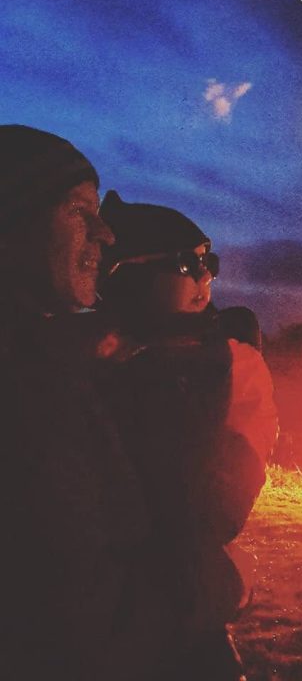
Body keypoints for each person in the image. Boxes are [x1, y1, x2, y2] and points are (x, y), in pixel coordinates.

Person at [0, 125, 177, 680]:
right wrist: (224, 585)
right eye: (78, 210)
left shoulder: (49, 361)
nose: (105, 233)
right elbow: (75, 630)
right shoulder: (25, 385)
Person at [96, 189, 278, 681]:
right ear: (127, 274)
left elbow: (218, 506)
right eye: (184, 264)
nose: (205, 276)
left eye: (207, 261)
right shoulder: (87, 358)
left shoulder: (231, 363)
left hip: (178, 602)